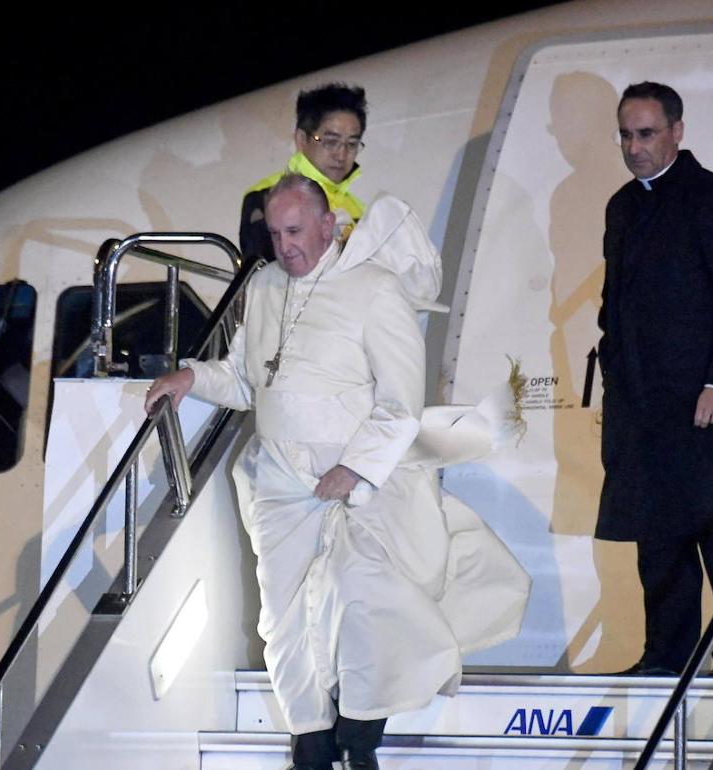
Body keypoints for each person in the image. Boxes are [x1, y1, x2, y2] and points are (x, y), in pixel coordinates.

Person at [148, 175, 529, 769]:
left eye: (296, 231)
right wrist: (192, 377)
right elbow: (249, 381)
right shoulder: (264, 287)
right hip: (281, 482)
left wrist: (354, 468)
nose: (285, 246)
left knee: (367, 602)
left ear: (328, 226)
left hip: (362, 483)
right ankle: (311, 737)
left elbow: (401, 401)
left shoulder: (374, 288)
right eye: (276, 234)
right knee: (282, 617)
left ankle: (361, 731)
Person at [596, 82, 713, 677]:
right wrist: (614, 376)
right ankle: (666, 658)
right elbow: (614, 304)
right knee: (657, 539)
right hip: (642, 407)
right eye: (626, 135)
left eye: (646, 134)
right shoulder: (622, 207)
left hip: (703, 404)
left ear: (677, 132)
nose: (634, 147)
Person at [240, 83, 368, 263]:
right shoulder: (268, 195)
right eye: (331, 142)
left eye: (352, 144)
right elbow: (270, 267)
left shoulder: (359, 208)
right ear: (301, 139)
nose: (341, 155)